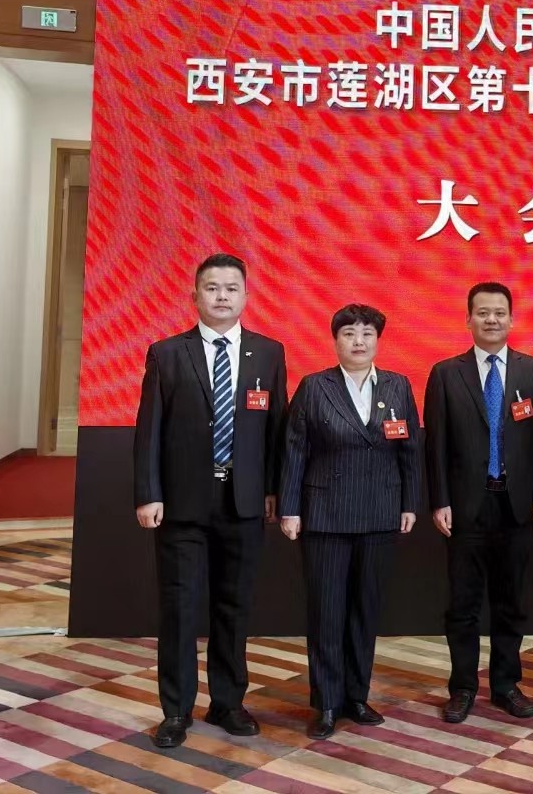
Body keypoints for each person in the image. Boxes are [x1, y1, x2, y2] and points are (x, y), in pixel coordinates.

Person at [133, 253, 287, 749]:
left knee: (233, 606)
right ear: (195, 295)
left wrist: (273, 490)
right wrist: (148, 493)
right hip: (181, 504)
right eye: (212, 287)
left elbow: (276, 431)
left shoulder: (268, 353)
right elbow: (149, 430)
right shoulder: (167, 353)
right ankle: (176, 710)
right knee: (179, 608)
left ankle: (228, 702)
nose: (222, 296)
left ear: (245, 296)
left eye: (231, 288)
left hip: (244, 501)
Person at [279, 304, 420, 739]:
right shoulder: (314, 386)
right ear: (335, 340)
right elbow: (294, 450)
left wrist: (410, 503)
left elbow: (410, 449)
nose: (358, 341)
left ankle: (357, 697)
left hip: (380, 512)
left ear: (378, 340)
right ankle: (326, 703)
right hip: (325, 516)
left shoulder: (397, 386)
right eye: (349, 334)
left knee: (365, 610)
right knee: (327, 613)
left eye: (367, 334)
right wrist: (290, 508)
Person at [425, 282, 533, 724]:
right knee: (463, 605)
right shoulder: (446, 373)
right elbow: (436, 445)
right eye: (482, 313)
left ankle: (505, 684)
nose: (492, 320)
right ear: (468, 320)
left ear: (512, 319)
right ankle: (462, 687)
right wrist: (439, 500)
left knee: (510, 601)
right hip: (465, 506)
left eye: (500, 312)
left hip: (517, 505)